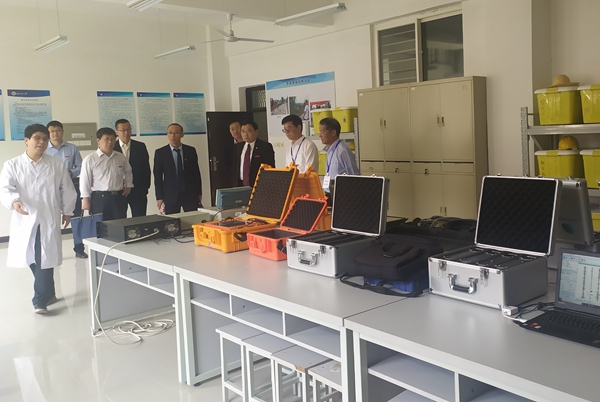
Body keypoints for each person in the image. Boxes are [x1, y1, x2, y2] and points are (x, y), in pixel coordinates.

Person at [0, 124, 77, 314]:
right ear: (26, 141)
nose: (41, 142)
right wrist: (14, 201)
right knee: (36, 258)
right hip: (25, 218)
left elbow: (67, 189)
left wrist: (68, 211)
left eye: (44, 138)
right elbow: (5, 188)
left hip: (48, 216)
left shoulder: (56, 164)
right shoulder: (12, 165)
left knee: (43, 256)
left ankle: (39, 299)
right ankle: (48, 292)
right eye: (37, 138)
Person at [45, 120, 87, 259]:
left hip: (71, 186)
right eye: (52, 131)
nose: (55, 133)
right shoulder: (44, 149)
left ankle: (79, 248)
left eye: (58, 130)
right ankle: (52, 251)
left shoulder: (72, 148)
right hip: (51, 188)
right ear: (48, 133)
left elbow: (80, 166)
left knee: (76, 218)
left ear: (62, 131)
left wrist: (70, 173)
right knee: (51, 220)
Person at [80, 128, 133, 221]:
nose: (110, 142)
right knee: (101, 226)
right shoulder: (90, 159)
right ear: (98, 140)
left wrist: (128, 185)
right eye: (107, 139)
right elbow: (85, 180)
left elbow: (128, 171)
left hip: (118, 197)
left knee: (120, 224)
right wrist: (85, 199)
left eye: (112, 139)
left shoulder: (120, 157)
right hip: (99, 198)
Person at [153, 123, 203, 214]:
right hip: (170, 194)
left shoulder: (190, 150)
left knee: (193, 218)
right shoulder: (160, 153)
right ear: (167, 134)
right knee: (172, 221)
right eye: (170, 132)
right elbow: (158, 177)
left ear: (182, 134)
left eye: (176, 133)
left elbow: (196, 173)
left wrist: (199, 192)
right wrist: (159, 197)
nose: (173, 136)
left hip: (189, 194)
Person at [113, 119, 151, 217]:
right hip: (118, 191)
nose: (126, 133)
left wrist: (145, 188)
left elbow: (146, 170)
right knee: (120, 220)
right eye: (123, 130)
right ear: (116, 132)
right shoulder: (112, 148)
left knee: (139, 219)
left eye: (128, 129)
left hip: (138, 190)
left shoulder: (140, 146)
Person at [319, 117, 359, 193]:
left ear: (333, 133)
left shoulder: (343, 151)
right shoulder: (329, 150)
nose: (320, 135)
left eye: (322, 132)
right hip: (329, 192)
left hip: (341, 194)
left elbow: (354, 176)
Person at [233, 121, 275, 188]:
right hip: (240, 184)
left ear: (256, 132)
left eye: (248, 131)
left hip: (258, 185)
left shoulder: (265, 146)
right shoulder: (238, 147)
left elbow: (269, 167)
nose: (245, 134)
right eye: (243, 131)